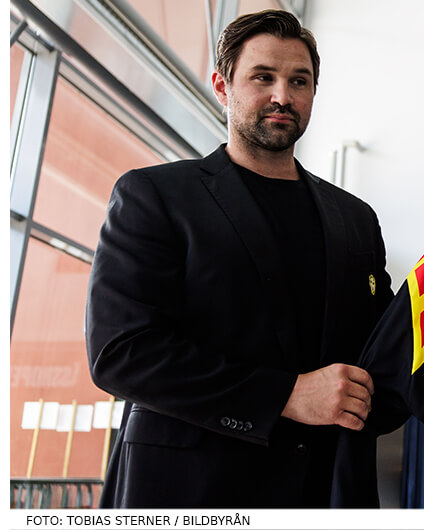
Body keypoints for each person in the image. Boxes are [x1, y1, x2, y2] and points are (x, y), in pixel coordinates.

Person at [86, 10, 392, 507]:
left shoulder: (354, 217)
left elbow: (386, 348)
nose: (282, 96)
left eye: (299, 81)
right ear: (222, 87)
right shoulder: (156, 195)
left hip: (323, 489)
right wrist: (285, 396)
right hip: (189, 489)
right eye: (262, 77)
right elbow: (122, 353)